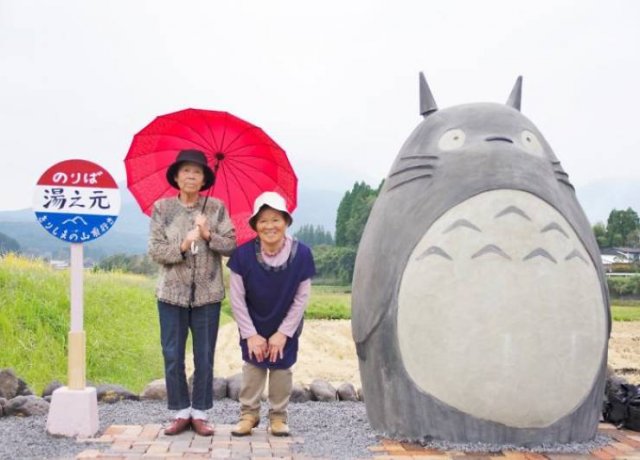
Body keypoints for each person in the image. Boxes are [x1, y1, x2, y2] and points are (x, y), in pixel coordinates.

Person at [148, 149, 236, 436]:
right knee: (172, 353)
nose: (190, 175)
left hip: (208, 295)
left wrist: (208, 234)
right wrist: (184, 244)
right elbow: (156, 250)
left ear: (203, 179)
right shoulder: (161, 208)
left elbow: (231, 245)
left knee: (204, 355)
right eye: (185, 171)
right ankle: (180, 411)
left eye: (196, 172)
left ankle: (199, 412)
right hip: (170, 294)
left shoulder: (216, 208)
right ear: (176, 176)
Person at [227, 191, 316, 437]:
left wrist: (283, 333)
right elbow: (237, 298)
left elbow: (301, 298)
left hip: (286, 322)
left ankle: (278, 417)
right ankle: (248, 415)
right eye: (263, 220)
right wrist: (250, 334)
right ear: (255, 225)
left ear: (286, 222)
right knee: (253, 367)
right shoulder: (242, 255)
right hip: (253, 321)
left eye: (276, 219)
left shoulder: (303, 254)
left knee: (282, 368)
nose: (270, 226)